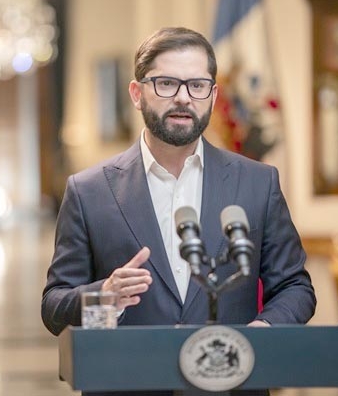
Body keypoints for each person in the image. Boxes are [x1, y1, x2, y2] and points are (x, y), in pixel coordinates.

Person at [41, 27, 316, 396]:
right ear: (137, 94)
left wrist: (264, 331)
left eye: (197, 85)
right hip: (127, 385)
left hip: (230, 383)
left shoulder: (258, 182)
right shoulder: (88, 191)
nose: (184, 98)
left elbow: (296, 286)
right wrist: (102, 295)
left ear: (213, 94)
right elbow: (54, 305)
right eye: (166, 84)